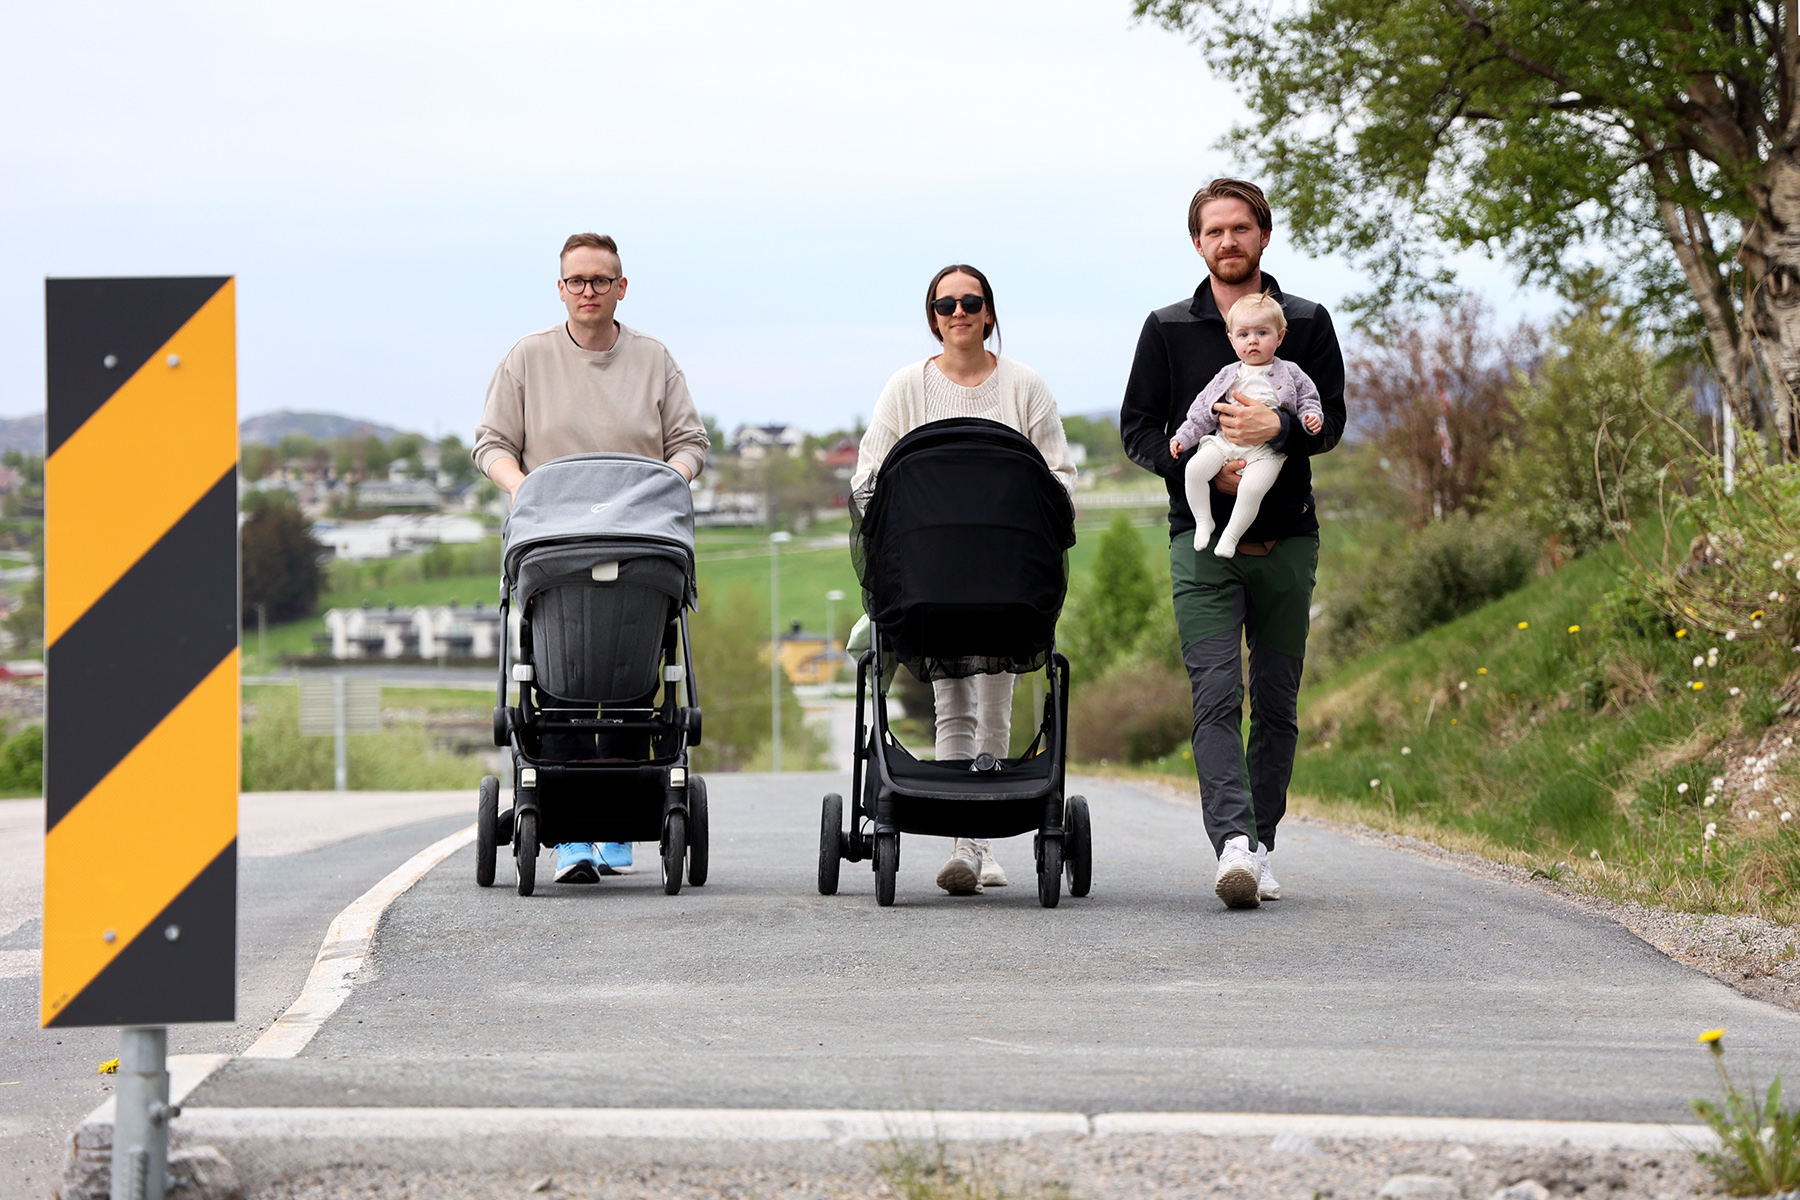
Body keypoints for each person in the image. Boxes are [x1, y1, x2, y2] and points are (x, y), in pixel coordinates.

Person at [1119, 179, 1346, 910]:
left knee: (1276, 704)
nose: (1228, 242)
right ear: (1197, 244)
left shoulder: (1306, 322)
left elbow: (1330, 420)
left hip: (1288, 542)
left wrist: (1274, 433)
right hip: (1200, 542)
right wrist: (1196, 470)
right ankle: (1233, 848)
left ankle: (1263, 842)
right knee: (1216, 695)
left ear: (1264, 236)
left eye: (1240, 228)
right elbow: (1139, 429)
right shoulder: (1166, 329)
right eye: (1213, 231)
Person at [474, 232, 709, 885]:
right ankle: (573, 836)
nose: (588, 292)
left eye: (600, 281)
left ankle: (624, 823)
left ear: (620, 288)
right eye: (577, 281)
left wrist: (670, 481)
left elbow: (689, 444)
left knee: (632, 670)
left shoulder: (654, 361)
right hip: (555, 538)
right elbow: (492, 443)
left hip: (639, 539)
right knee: (560, 674)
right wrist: (526, 488)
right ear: (560, 288)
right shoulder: (528, 360)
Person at [852, 264, 1077, 895]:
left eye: (970, 302)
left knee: (995, 697)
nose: (958, 312)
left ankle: (977, 842)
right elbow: (869, 477)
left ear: (988, 312)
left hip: (1002, 572)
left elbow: (1059, 476)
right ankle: (964, 842)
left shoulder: (1023, 385)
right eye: (945, 304)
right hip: (930, 572)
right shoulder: (907, 387)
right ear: (932, 316)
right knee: (950, 701)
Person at [1169, 291, 1324, 557]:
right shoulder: (1228, 374)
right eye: (1244, 335)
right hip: (1225, 442)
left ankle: (1231, 535)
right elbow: (1202, 410)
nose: (1252, 341)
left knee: (1252, 488)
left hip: (1266, 452)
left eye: (1262, 333)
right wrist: (1183, 437)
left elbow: (1310, 400)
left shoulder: (1291, 372)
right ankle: (1204, 521)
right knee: (1194, 469)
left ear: (1280, 336)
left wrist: (1312, 418)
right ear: (1231, 340)